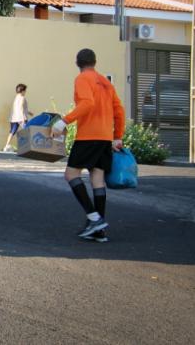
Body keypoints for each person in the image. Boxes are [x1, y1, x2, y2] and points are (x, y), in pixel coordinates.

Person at [52, 48, 125, 243]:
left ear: (78, 63)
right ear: (95, 61)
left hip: (88, 136)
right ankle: (99, 231)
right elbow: (119, 110)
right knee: (97, 179)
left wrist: (64, 121)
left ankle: (94, 218)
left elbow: (87, 104)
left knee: (71, 174)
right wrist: (117, 136)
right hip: (104, 137)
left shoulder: (83, 79)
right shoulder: (105, 82)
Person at [3, 83, 31, 152]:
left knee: (12, 132)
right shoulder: (22, 98)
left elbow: (20, 108)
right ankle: (27, 147)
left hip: (14, 117)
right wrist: (23, 118)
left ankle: (6, 146)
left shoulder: (16, 98)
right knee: (28, 131)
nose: (25, 92)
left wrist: (29, 112)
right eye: (25, 91)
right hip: (21, 118)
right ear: (22, 91)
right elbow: (21, 108)